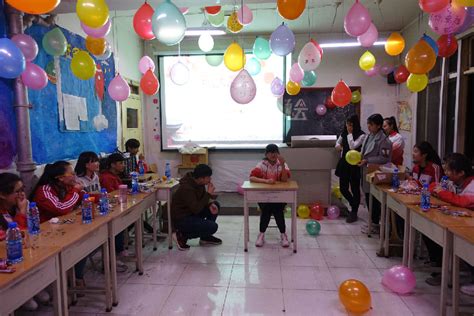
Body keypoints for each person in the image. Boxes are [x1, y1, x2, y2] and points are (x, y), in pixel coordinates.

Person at [426, 153, 474, 288]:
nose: (445, 173)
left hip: (469, 229)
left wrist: (442, 193)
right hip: (460, 223)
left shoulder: (471, 184)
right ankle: (442, 268)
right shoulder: (452, 182)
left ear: (460, 173)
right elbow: (433, 187)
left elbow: (463, 202)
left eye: (448, 170)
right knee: (431, 231)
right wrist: (439, 190)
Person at [171, 164, 222, 250]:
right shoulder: (186, 188)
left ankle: (205, 237)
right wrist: (208, 194)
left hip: (192, 212)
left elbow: (201, 200)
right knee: (213, 226)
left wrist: (210, 203)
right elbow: (196, 209)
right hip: (182, 218)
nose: (210, 179)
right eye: (208, 177)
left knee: (215, 205)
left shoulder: (199, 183)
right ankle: (181, 235)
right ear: (201, 178)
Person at [250, 144, 291, 248]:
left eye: (275, 152)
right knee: (268, 208)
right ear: (266, 154)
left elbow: (285, 180)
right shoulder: (262, 164)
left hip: (279, 196)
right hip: (264, 196)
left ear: (278, 153)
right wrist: (266, 181)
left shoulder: (282, 164)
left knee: (275, 208)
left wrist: (282, 165)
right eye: (270, 152)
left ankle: (282, 235)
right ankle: (262, 234)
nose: (273, 154)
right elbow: (252, 178)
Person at [359, 114, 392, 235]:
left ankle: (375, 223)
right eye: (368, 123)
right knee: (368, 196)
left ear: (378, 126)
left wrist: (368, 160)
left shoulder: (384, 140)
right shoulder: (369, 136)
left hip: (375, 172)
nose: (369, 126)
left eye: (371, 124)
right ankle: (372, 221)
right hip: (365, 170)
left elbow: (384, 158)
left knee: (374, 198)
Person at [335, 115, 366, 223]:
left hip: (354, 165)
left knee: (354, 188)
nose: (349, 127)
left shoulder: (361, 135)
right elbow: (338, 143)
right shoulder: (344, 132)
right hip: (344, 163)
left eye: (351, 125)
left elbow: (353, 146)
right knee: (343, 188)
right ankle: (354, 204)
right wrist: (338, 146)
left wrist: (349, 134)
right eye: (347, 124)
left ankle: (354, 211)